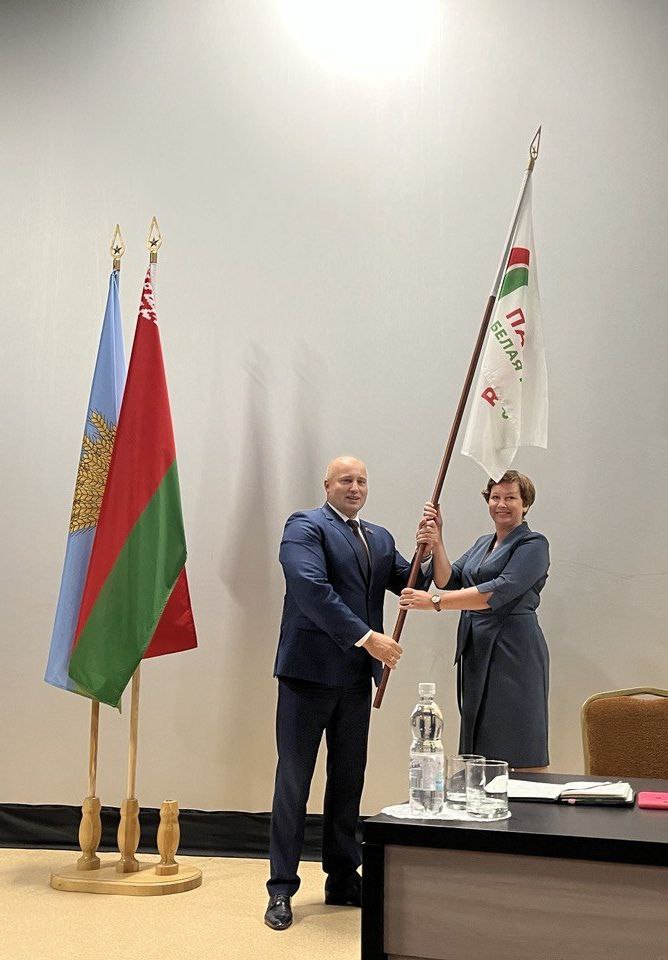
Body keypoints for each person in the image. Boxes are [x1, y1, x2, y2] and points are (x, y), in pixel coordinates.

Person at [265, 455, 432, 931]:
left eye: (361, 480)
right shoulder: (304, 526)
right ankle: (281, 888)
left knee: (348, 781)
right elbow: (310, 588)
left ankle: (341, 878)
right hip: (307, 675)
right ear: (327, 485)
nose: (354, 487)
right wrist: (367, 637)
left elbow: (411, 583)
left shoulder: (378, 538)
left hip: (355, 681)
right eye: (345, 480)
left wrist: (428, 549)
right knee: (293, 782)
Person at [399, 469, 549, 772]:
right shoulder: (483, 543)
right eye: (495, 497)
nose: (501, 504)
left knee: (515, 736)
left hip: (513, 650)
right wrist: (437, 541)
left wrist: (435, 603)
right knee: (478, 739)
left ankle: (525, 793)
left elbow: (497, 591)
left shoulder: (533, 544)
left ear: (526, 504)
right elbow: (448, 579)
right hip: (476, 648)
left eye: (511, 498)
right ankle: (480, 794)